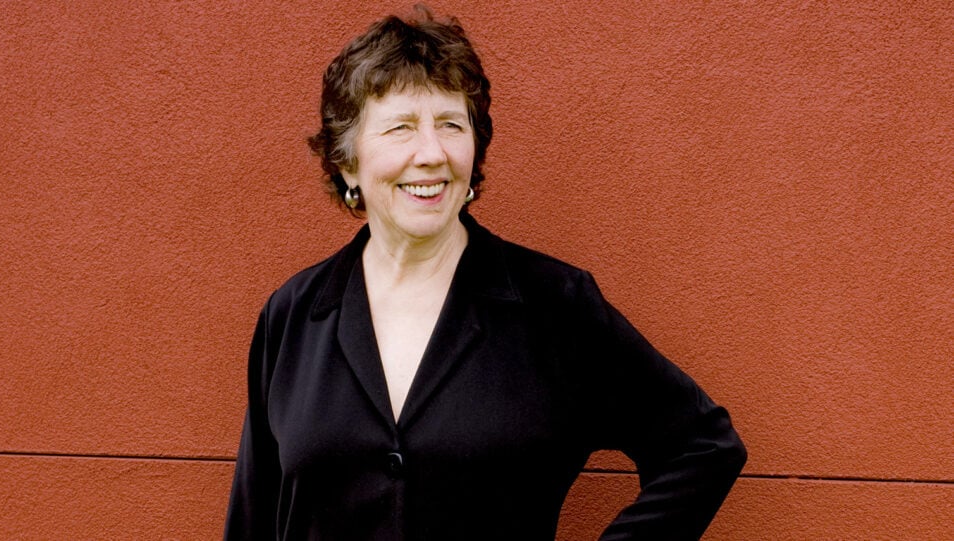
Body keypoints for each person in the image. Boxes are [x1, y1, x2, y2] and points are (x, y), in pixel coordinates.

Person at [224, 7, 746, 541]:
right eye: (401, 127)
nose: (431, 154)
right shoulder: (293, 316)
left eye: (451, 125)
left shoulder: (554, 305)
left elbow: (703, 445)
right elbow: (253, 517)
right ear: (348, 162)